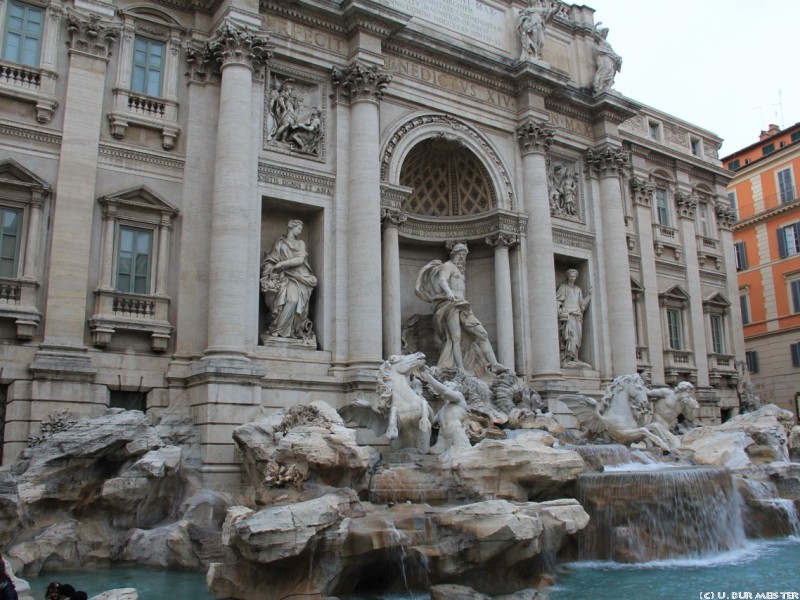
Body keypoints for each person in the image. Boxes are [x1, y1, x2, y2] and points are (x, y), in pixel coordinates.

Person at [415, 243, 508, 377]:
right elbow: (442, 280)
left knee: (482, 333)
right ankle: (460, 369)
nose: (462, 258)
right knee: (455, 338)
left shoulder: (459, 270)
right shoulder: (448, 266)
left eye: (464, 255)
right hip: (451, 304)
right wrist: (448, 293)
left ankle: (494, 364)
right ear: (454, 254)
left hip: (463, 305)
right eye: (461, 255)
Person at [261, 219, 318, 340]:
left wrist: (281, 264)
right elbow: (270, 259)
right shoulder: (279, 243)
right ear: (292, 227)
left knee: (293, 300)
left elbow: (300, 260)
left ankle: (285, 330)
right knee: (282, 299)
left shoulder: (300, 243)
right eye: (299, 228)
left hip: (299, 276)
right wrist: (270, 270)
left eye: (302, 229)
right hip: (283, 277)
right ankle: (278, 329)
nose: (300, 231)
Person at [556, 268, 590, 365]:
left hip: (577, 315)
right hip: (569, 315)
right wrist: (559, 311)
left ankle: (575, 356)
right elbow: (558, 300)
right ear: (568, 277)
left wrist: (589, 295)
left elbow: (582, 305)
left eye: (574, 276)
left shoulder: (578, 289)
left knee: (577, 337)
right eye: (571, 276)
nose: (572, 278)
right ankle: (568, 357)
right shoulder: (563, 287)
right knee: (570, 336)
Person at [591, 23, 622, 94]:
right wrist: (596, 26)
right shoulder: (600, 40)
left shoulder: (605, 42)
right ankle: (600, 85)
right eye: (605, 32)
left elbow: (611, 51)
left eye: (606, 33)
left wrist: (617, 57)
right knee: (606, 69)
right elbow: (592, 34)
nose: (606, 34)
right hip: (604, 56)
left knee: (610, 71)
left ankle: (606, 86)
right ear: (602, 33)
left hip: (610, 57)